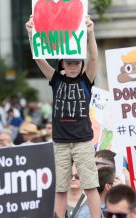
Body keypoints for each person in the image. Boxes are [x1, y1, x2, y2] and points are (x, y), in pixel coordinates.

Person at [26, 15, 101, 218]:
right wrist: (31, 34)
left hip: (83, 141)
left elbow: (94, 57)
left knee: (91, 185)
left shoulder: (86, 80)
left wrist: (90, 33)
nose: (73, 65)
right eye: (69, 62)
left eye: (77, 62)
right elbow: (38, 58)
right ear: (62, 64)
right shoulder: (56, 79)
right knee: (60, 188)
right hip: (60, 142)